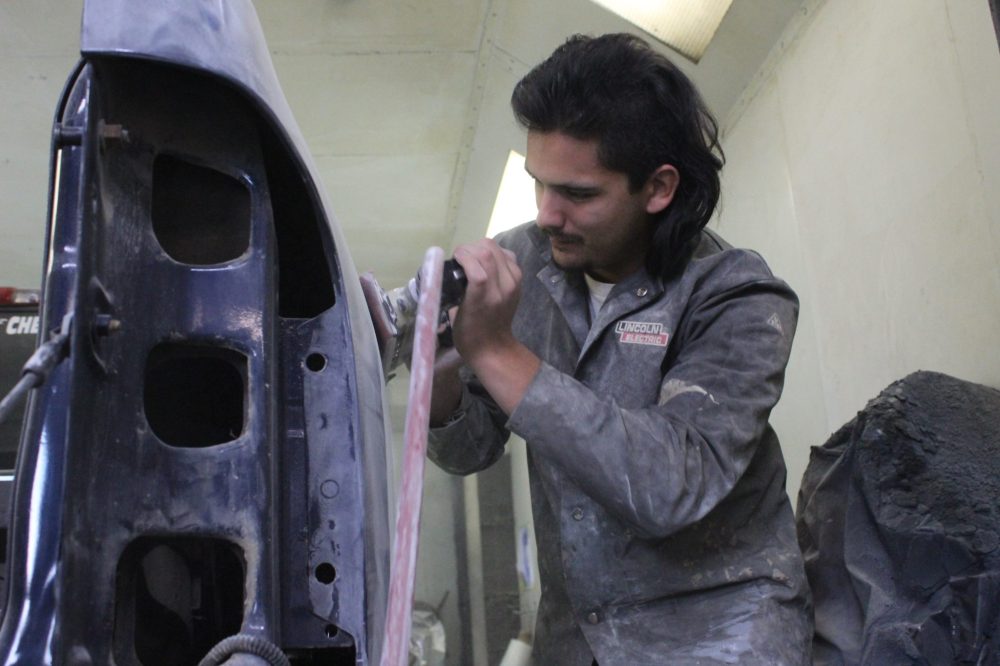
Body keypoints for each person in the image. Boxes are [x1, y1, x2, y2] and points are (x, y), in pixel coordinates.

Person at [427, 33, 812, 665]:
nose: (547, 215)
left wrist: (495, 351)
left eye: (577, 194)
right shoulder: (525, 259)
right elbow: (470, 448)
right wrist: (443, 357)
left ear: (658, 188)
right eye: (538, 184)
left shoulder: (738, 298)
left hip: (720, 636)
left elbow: (671, 485)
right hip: (577, 638)